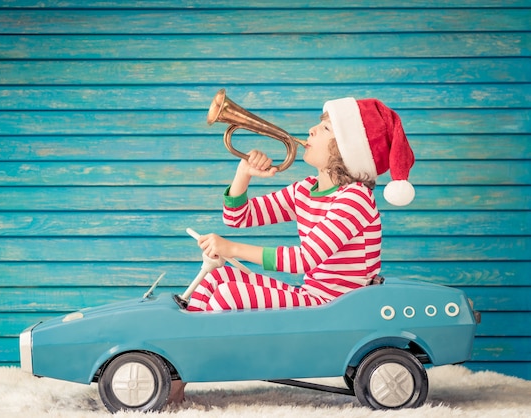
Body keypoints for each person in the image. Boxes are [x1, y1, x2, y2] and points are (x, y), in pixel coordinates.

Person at [168, 96, 415, 403]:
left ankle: (180, 371)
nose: (311, 130)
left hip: (335, 307)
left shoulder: (355, 199)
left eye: (324, 128)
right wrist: (243, 174)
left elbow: (304, 259)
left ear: (347, 148)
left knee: (226, 294)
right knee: (213, 280)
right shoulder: (306, 190)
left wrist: (231, 248)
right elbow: (238, 217)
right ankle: (177, 372)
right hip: (313, 297)